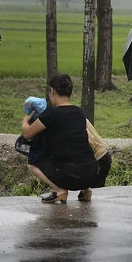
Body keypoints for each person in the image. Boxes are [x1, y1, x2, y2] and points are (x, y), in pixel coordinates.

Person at [22, 74, 99, 203]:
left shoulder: (51, 114)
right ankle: (86, 190)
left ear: (52, 91)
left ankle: (60, 191)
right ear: (70, 93)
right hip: (92, 174)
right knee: (78, 152)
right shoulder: (79, 112)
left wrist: (26, 119)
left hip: (69, 177)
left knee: (32, 162)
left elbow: (27, 134)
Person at [77, 119, 112, 202]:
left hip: (99, 160)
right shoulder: (78, 115)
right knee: (87, 198)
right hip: (102, 158)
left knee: (95, 198)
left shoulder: (74, 122)